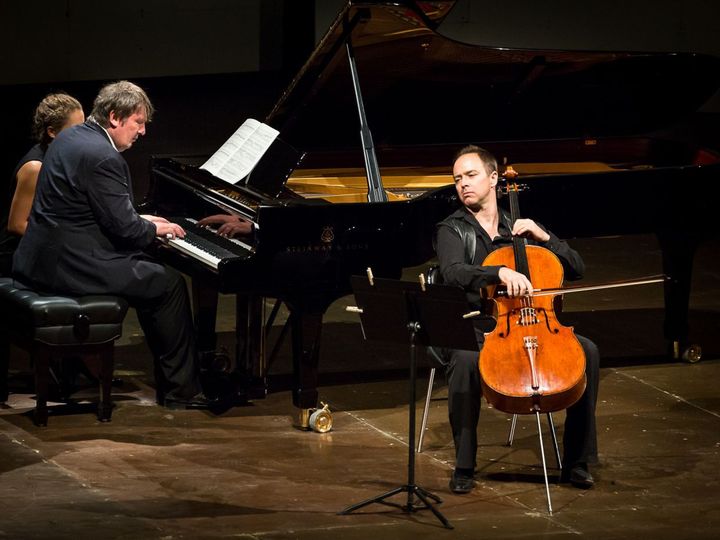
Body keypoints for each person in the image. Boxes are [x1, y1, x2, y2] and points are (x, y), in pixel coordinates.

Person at [12, 80, 215, 409]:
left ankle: (177, 383)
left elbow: (96, 212)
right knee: (168, 285)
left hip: (41, 257)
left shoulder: (71, 138)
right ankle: (182, 392)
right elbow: (125, 230)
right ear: (114, 117)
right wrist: (153, 230)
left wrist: (145, 221)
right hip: (71, 265)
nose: (143, 131)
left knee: (150, 276)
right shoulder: (104, 157)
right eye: (138, 121)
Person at [435, 145, 600, 494]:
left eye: (471, 175)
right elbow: (452, 273)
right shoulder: (452, 229)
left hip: (535, 325)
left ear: (494, 178)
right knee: (465, 360)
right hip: (476, 326)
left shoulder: (520, 227)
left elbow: (577, 269)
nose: (462, 184)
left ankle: (577, 462)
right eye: (457, 179)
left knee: (587, 352)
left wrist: (546, 238)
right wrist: (499, 272)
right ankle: (465, 464)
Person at [0, 93, 84, 275]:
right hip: (16, 254)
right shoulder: (34, 167)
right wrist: (66, 242)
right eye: (75, 130)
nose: (82, 136)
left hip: (42, 247)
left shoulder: (61, 158)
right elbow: (16, 225)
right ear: (52, 132)